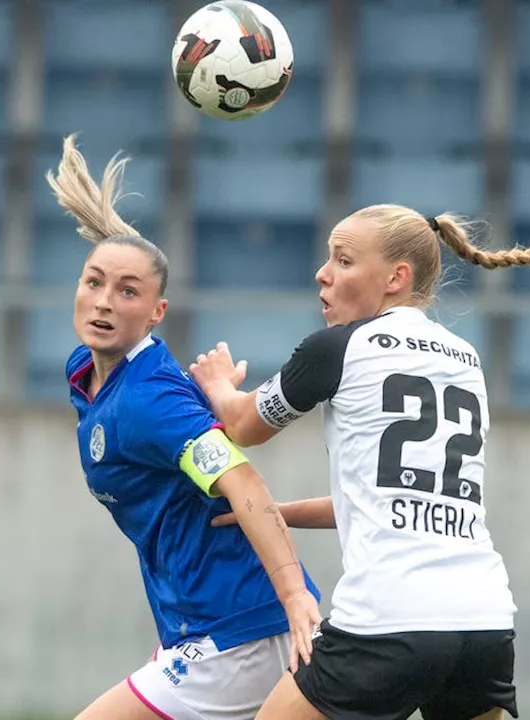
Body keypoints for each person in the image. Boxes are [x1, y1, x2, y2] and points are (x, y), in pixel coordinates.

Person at [189, 203, 530, 720]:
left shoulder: (339, 347)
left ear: (395, 278)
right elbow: (390, 497)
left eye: (342, 260)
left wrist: (220, 383)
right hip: (484, 621)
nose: (323, 273)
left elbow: (244, 426)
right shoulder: (466, 359)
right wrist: (277, 513)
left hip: (389, 620)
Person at [44, 134, 323, 720]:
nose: (103, 302)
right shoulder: (90, 375)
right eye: (93, 282)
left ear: (156, 312)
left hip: (242, 627)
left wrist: (296, 594)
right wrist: (217, 394)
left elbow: (242, 481)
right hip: (205, 624)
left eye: (128, 291)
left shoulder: (147, 399)